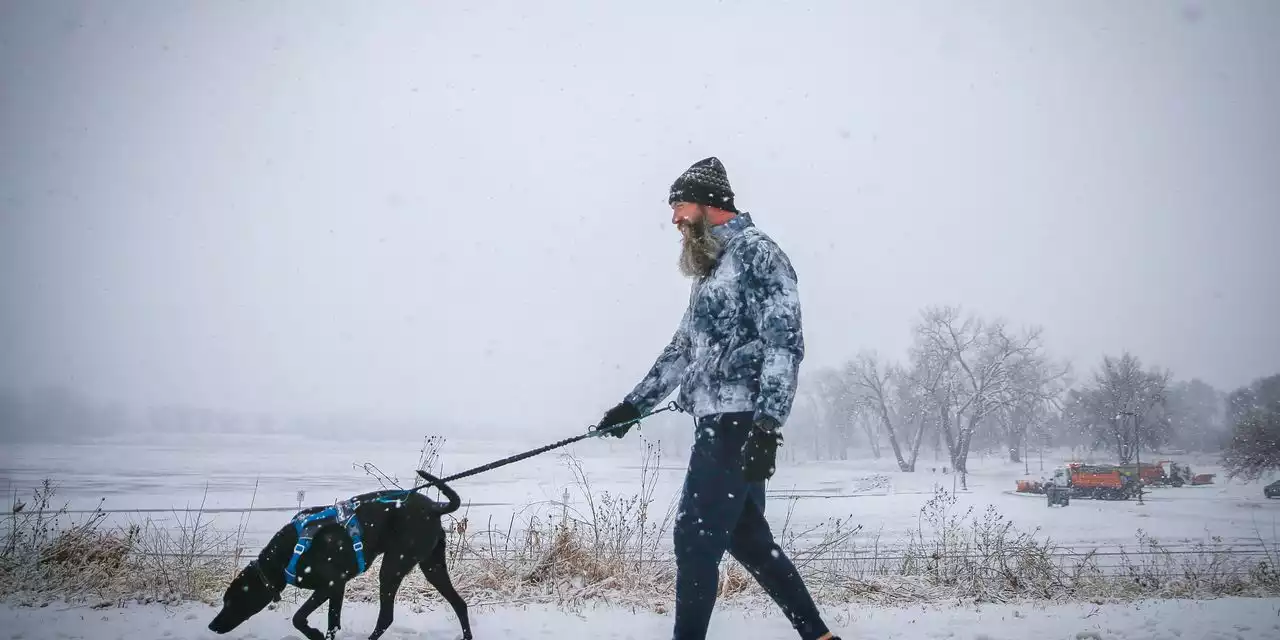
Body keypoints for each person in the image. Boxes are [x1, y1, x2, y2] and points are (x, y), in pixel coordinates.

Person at [597, 157, 839, 640]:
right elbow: (684, 347)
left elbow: (784, 344)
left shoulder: (758, 255)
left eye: (680, 205)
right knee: (749, 541)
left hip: (739, 421)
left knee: (693, 540)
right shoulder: (711, 267)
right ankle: (821, 637)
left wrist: (767, 425)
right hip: (714, 420)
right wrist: (633, 405)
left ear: (711, 205)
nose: (674, 219)